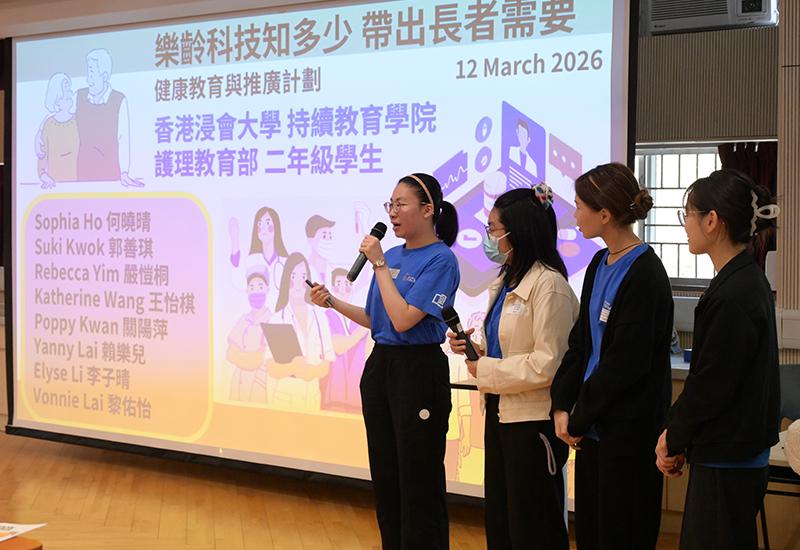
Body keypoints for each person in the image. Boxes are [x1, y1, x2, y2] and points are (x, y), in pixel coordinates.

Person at [309, 173, 460, 549]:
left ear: (427, 210)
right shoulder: (391, 256)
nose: (392, 212)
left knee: (418, 479)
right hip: (382, 366)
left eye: (400, 204)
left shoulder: (441, 260)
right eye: (389, 204)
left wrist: (378, 265)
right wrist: (332, 302)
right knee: (387, 475)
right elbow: (377, 318)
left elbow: (405, 319)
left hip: (418, 370)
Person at [550, 162, 674, 550]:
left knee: (622, 534)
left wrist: (579, 416)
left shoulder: (645, 273)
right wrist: (562, 404)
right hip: (592, 429)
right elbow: (580, 344)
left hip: (627, 433)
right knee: (591, 533)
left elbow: (626, 364)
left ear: (604, 214)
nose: (574, 216)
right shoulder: (598, 264)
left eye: (579, 206)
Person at [655, 169, 781, 550]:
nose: (685, 225)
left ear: (712, 221)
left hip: (729, 459)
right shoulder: (742, 279)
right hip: (733, 455)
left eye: (688, 215)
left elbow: (710, 386)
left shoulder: (734, 293)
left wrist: (673, 437)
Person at [448, 184, 579, 550]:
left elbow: (548, 364)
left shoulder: (549, 285)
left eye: (493, 228)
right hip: (500, 413)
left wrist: (487, 370)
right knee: (502, 521)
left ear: (516, 231)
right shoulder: (507, 279)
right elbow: (508, 347)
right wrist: (476, 351)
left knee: (532, 525)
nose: (489, 237)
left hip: (532, 422)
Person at [267, 253, 333, 412]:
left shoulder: (319, 317)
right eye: (293, 276)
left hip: (312, 397)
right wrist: (292, 368)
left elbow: (326, 364)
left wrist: (312, 371)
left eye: (303, 277)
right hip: (284, 397)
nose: (297, 284)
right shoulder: (277, 319)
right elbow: (271, 367)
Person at [320, 268, 370, 414]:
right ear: (332, 287)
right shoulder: (328, 316)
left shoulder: (359, 317)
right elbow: (340, 346)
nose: (343, 288)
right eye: (339, 283)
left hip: (357, 386)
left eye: (347, 284)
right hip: (335, 385)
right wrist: (368, 325)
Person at [229, 206, 289, 310]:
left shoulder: (285, 262)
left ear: (276, 227)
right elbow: (238, 281)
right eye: (259, 224)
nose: (263, 228)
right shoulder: (251, 260)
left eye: (267, 223)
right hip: (258, 314)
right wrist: (235, 240)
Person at [227, 271, 271, 403]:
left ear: (267, 289)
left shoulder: (272, 320)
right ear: (247, 291)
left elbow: (258, 359)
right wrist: (246, 358)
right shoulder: (243, 319)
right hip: (238, 381)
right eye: (252, 288)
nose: (256, 292)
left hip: (258, 381)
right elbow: (229, 354)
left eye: (260, 287)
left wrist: (240, 357)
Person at [37, 73, 78, 188]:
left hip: (80, 185)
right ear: (56, 98)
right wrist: (43, 176)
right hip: (56, 187)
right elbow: (42, 156)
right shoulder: (48, 125)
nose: (70, 92)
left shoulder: (78, 120)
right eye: (66, 88)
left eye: (70, 88)